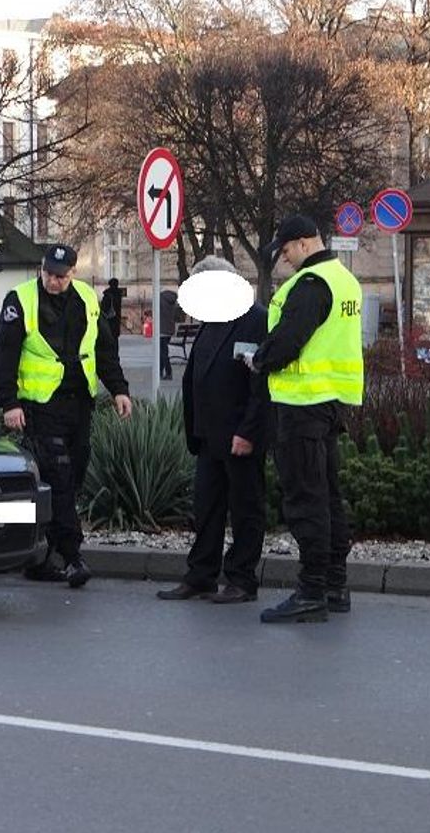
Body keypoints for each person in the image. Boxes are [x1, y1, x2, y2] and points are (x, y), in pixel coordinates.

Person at [0, 244, 133, 587]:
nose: (53, 281)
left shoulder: (86, 297)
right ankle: (73, 556)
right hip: (41, 405)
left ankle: (45, 556)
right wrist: (9, 403)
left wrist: (118, 389)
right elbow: (4, 353)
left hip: (79, 403)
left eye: (61, 276)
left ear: (73, 273)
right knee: (60, 477)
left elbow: (103, 349)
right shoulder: (20, 298)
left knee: (74, 476)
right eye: (49, 274)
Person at [247, 214, 364, 623]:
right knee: (328, 495)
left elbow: (289, 341)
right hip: (331, 402)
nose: (283, 259)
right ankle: (335, 584)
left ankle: (312, 590)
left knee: (305, 499)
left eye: (284, 251)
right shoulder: (344, 279)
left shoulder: (311, 285)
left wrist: (258, 360)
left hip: (302, 405)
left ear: (301, 243)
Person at [158, 257, 268, 604]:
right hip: (208, 435)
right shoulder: (212, 320)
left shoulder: (257, 320)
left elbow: (261, 385)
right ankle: (201, 575)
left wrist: (248, 432)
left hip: (239, 436)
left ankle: (242, 579)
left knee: (245, 508)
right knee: (206, 508)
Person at [159, 288, 178, 380]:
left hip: (161, 329)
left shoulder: (160, 299)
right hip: (169, 329)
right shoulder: (172, 300)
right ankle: (160, 371)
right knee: (163, 351)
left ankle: (168, 372)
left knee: (163, 352)